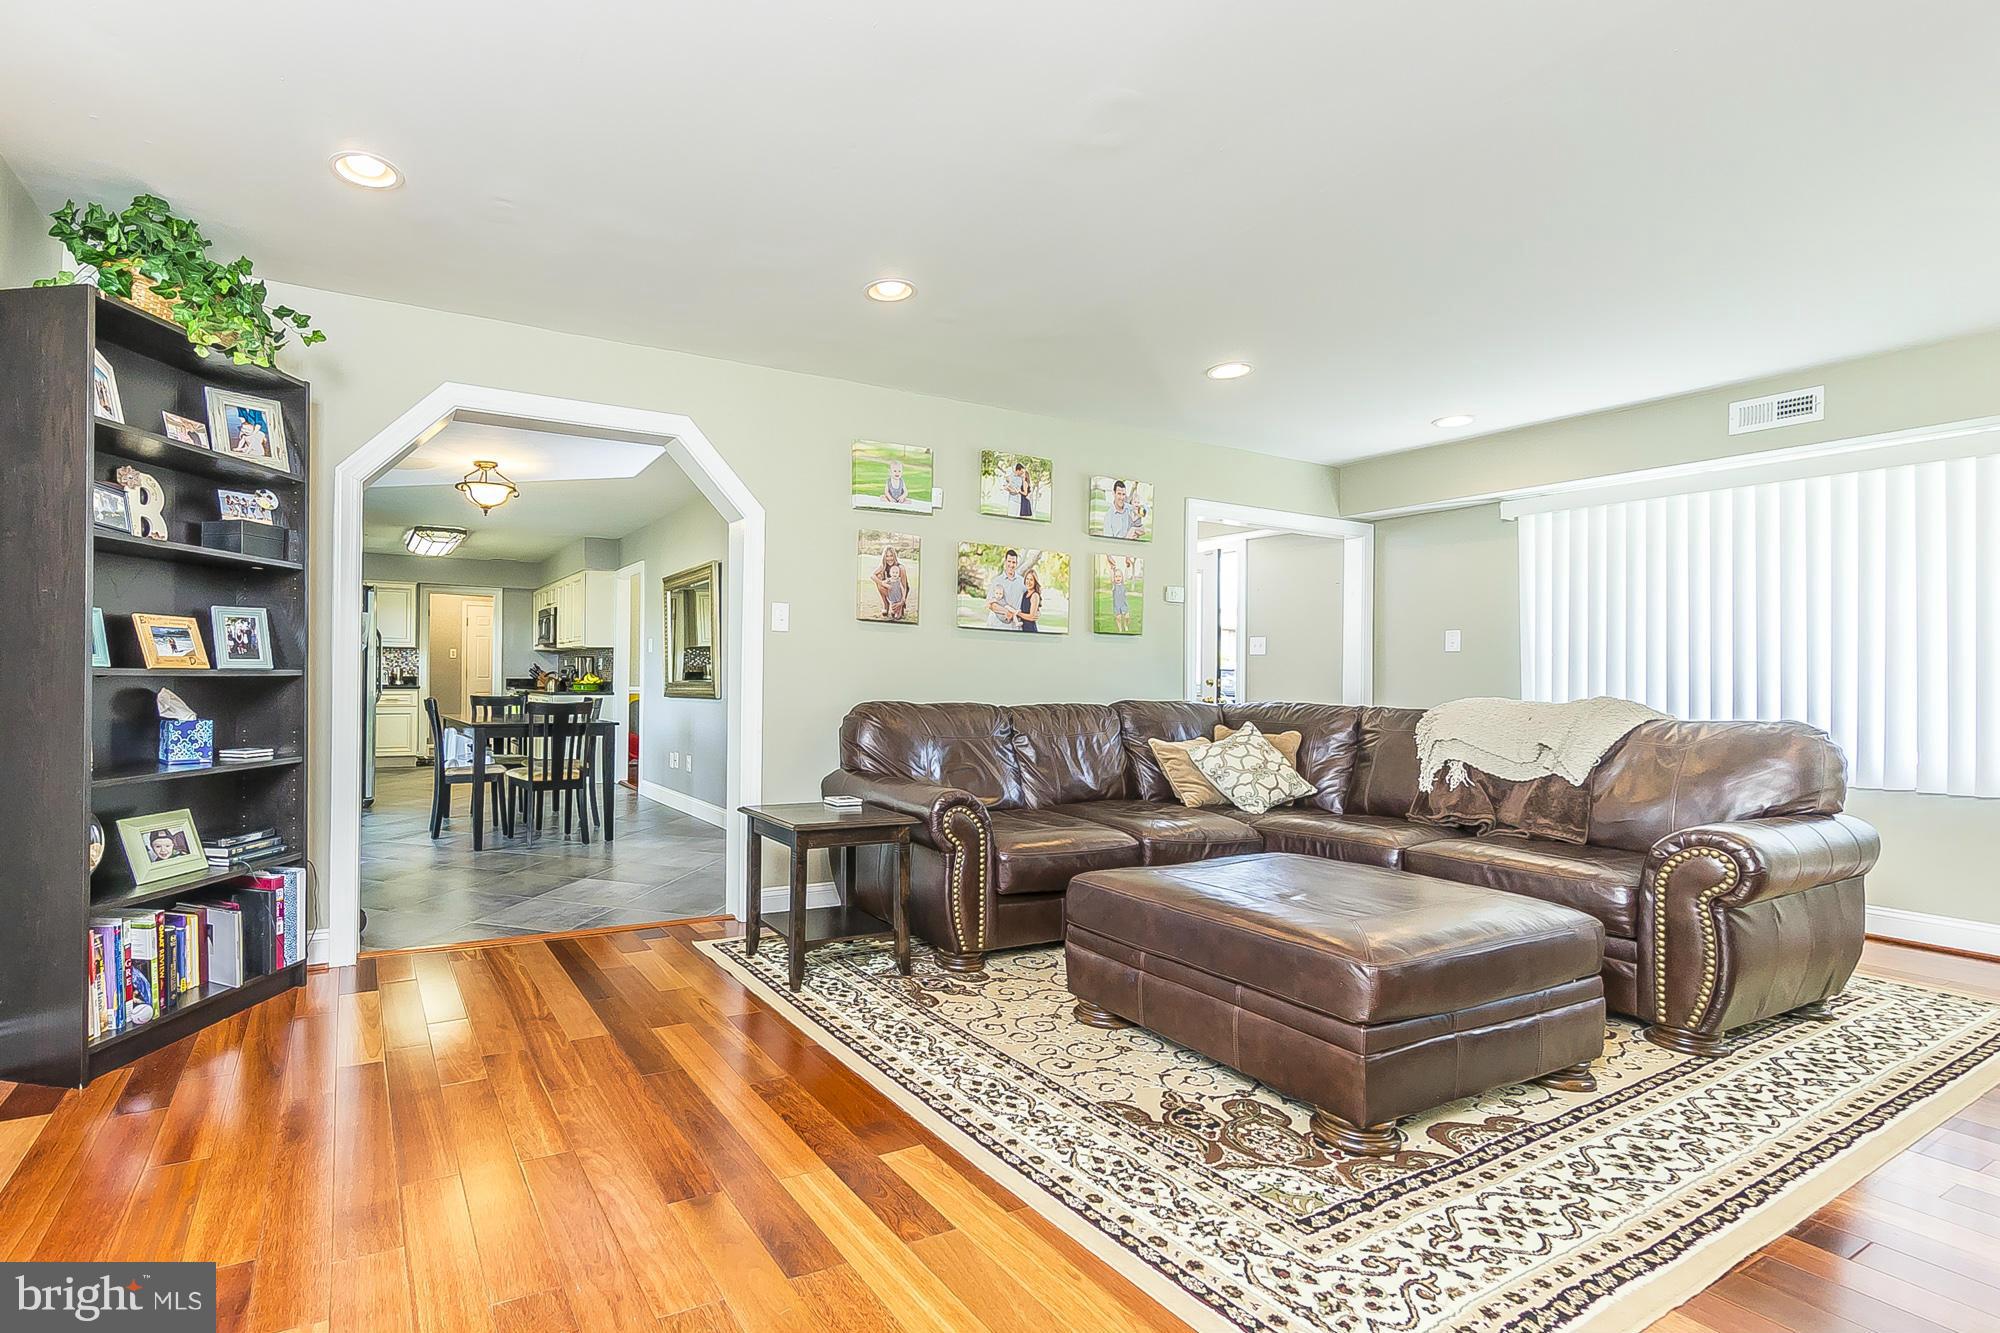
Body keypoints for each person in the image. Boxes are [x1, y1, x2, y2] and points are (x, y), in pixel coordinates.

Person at [985, 549, 1025, 628]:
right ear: (1005, 562)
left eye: (1013, 562)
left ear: (1016, 564)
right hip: (997, 625)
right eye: (1009, 561)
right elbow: (989, 604)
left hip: (1014, 627)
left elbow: (1031, 597)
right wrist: (1006, 611)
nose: (1011, 564)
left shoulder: (1022, 581)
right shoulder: (996, 581)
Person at [872, 546, 910, 620]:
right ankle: (886, 604)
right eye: (887, 556)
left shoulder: (900, 568)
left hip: (900, 591)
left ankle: (899, 606)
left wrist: (902, 601)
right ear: (884, 557)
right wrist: (882, 583)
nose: (889, 558)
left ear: (894, 556)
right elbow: (872, 575)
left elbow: (904, 587)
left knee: (897, 617)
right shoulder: (883, 566)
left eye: (891, 556)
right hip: (891, 590)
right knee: (878, 576)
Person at [1110, 557, 1132, 632]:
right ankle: (1120, 628)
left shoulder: (1123, 584)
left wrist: (1127, 565)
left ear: (1122, 577)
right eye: (1116, 576)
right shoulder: (1114, 585)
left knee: (1127, 617)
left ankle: (1125, 625)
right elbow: (1112, 575)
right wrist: (1112, 568)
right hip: (1117, 605)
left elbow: (1126, 573)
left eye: (1119, 576)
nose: (1118, 578)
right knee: (1118, 618)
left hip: (1124, 604)